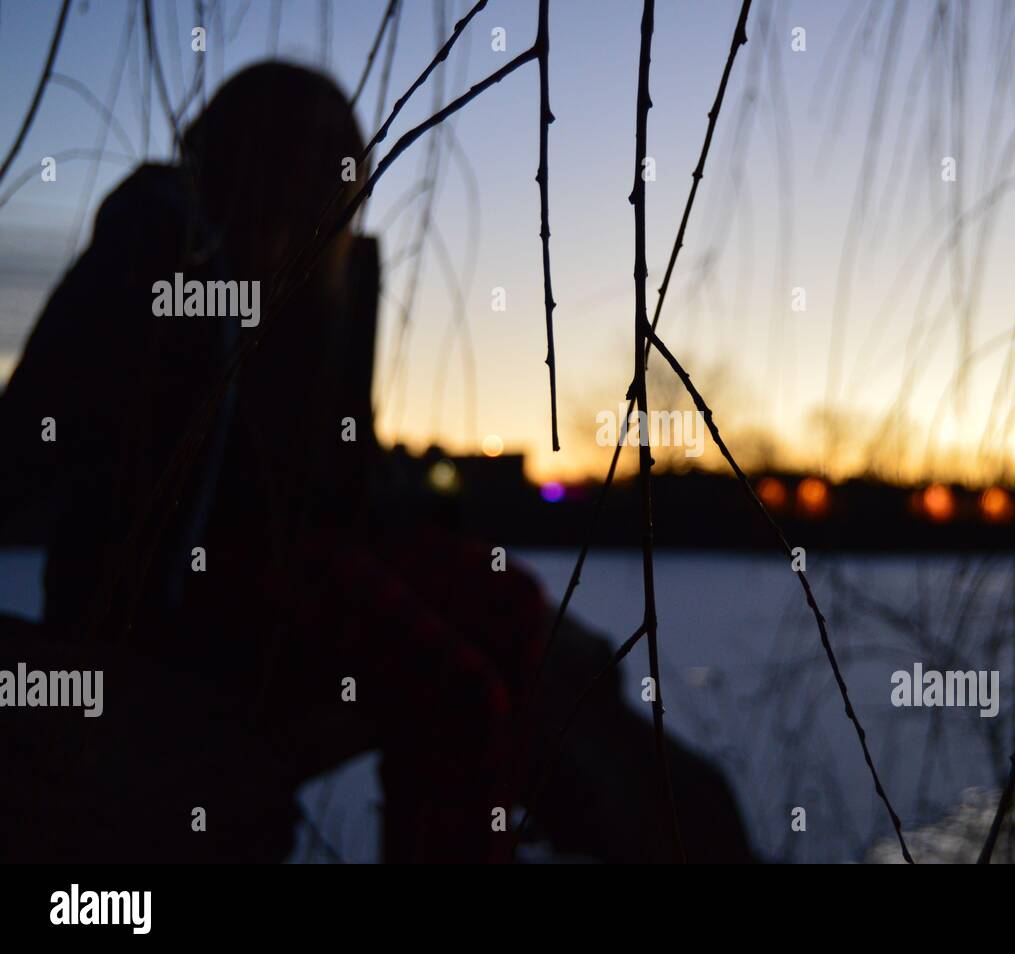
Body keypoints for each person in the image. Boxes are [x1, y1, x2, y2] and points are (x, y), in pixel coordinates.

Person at [0, 62, 754, 863]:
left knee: (513, 606)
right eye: (309, 147)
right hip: (186, 606)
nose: (336, 174)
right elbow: (38, 424)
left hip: (299, 565)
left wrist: (429, 518)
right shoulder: (161, 245)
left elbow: (337, 477)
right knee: (456, 694)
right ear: (244, 153)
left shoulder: (329, 285)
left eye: (345, 154)